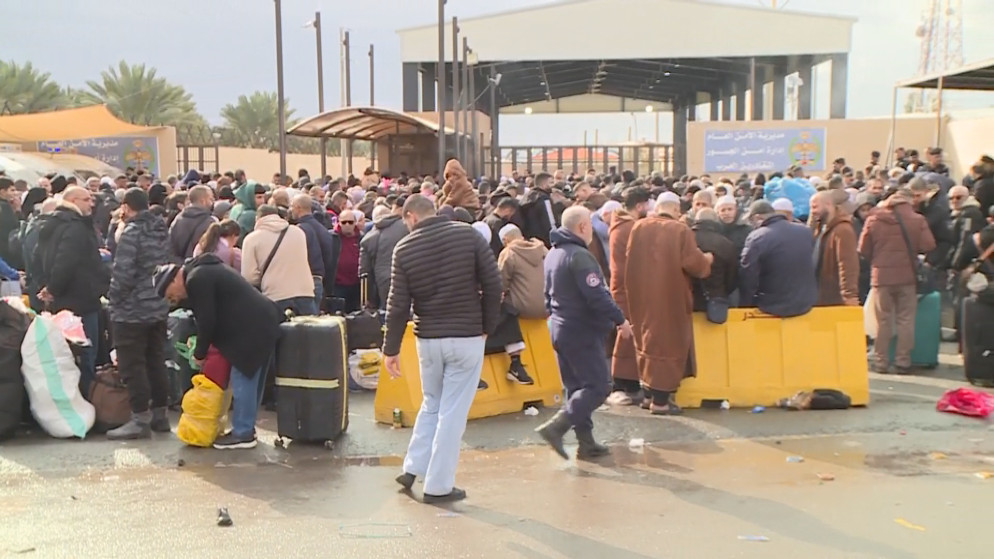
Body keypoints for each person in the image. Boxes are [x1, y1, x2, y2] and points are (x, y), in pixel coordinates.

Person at [385, 195, 502, 504]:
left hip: (428, 338)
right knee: (452, 412)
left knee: (432, 403)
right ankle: (438, 485)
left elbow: (397, 305)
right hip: (466, 335)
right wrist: (488, 326)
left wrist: (390, 349)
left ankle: (412, 467)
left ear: (411, 217)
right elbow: (493, 283)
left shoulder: (404, 249)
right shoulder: (468, 234)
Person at [155, 253, 282, 449]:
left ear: (174, 279)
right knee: (252, 380)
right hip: (263, 321)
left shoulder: (197, 279)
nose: (172, 298)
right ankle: (246, 428)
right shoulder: (203, 271)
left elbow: (207, 320)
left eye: (169, 293)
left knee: (243, 378)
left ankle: (243, 433)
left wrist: (200, 353)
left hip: (250, 328)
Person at [535, 206, 631, 460]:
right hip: (581, 330)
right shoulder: (580, 257)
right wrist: (620, 319)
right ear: (582, 227)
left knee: (576, 387)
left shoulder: (554, 254)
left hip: (560, 327)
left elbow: (546, 295)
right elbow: (597, 295)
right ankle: (557, 427)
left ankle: (585, 443)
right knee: (599, 386)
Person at [625, 193, 712, 415]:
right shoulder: (680, 230)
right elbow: (695, 264)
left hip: (640, 295)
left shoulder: (638, 227)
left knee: (645, 341)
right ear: (675, 210)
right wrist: (708, 260)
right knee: (668, 344)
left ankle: (647, 396)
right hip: (670, 296)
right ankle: (661, 402)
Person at [105, 188, 171, 439]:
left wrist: (114, 300)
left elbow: (123, 274)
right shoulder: (160, 229)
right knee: (156, 359)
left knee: (133, 364)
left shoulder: (131, 233)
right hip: (158, 304)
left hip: (132, 310)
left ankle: (139, 418)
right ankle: (160, 415)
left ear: (126, 206)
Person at [35, 187, 110, 394]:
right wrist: (52, 288)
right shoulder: (76, 227)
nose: (91, 204)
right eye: (86, 199)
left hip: (61, 299)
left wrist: (47, 287)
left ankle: (71, 398)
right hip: (81, 298)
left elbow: (37, 259)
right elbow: (66, 261)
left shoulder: (50, 224)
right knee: (87, 351)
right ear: (73, 201)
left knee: (66, 354)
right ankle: (87, 397)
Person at [858, 188, 936, 374]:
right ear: (908, 203)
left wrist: (877, 260)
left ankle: (881, 361)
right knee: (905, 320)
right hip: (907, 276)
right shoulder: (917, 219)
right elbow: (929, 245)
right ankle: (903, 361)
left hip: (881, 277)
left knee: (883, 320)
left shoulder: (873, 219)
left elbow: (863, 249)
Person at [606, 187, 650, 406]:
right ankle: (620, 384)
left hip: (623, 286)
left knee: (628, 333)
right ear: (640, 205)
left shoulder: (619, 225)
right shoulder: (630, 228)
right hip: (628, 288)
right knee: (627, 334)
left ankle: (628, 383)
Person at [739, 200, 818, 317]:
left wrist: (745, 304)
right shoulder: (804, 231)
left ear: (757, 218)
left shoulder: (757, 237)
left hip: (772, 305)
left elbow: (748, 274)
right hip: (806, 303)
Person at [493, 224, 545, 385]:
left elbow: (499, 284)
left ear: (505, 240)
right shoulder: (542, 249)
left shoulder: (508, 253)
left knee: (500, 306)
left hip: (524, 308)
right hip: (548, 306)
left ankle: (515, 363)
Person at [242, 205, 316, 316]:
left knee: (280, 333)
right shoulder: (298, 232)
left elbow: (249, 277)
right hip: (305, 292)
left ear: (257, 218)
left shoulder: (252, 239)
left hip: (275, 295)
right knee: (309, 332)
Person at [809, 190, 860, 306]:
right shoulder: (820, 228)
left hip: (834, 298)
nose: (812, 211)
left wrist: (849, 295)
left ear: (828, 204)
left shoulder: (843, 230)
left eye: (815, 207)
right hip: (819, 295)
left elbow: (848, 265)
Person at [290, 194, 340, 310]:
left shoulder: (299, 230)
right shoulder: (323, 229)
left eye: (292, 207)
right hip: (320, 279)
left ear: (298, 208)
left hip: (304, 281)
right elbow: (329, 257)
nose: (291, 210)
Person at [360, 197, 408, 309]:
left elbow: (364, 271)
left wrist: (368, 298)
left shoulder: (368, 238)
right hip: (406, 276)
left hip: (383, 281)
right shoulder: (406, 226)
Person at [690, 208, 737, 313]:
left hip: (688, 300)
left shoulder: (685, 239)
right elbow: (732, 278)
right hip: (715, 302)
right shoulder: (726, 244)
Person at [909, 177, 952, 273]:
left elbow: (945, 240)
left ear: (926, 192)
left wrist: (930, 261)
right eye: (912, 196)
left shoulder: (937, 211)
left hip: (928, 260)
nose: (914, 200)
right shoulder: (905, 209)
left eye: (918, 196)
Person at [168, 185, 215, 263]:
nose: (213, 201)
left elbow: (170, 247)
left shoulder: (178, 219)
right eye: (210, 198)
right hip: (198, 268)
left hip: (179, 268)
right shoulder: (209, 222)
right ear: (203, 201)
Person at [333, 209, 363, 313]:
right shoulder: (332, 237)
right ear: (338, 222)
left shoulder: (361, 238)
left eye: (350, 222)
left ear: (355, 223)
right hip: (337, 285)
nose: (347, 225)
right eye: (344, 222)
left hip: (356, 285)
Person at [520, 172, 558, 248]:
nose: (553, 185)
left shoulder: (525, 198)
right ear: (544, 184)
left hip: (530, 241)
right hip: (545, 243)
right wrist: (555, 241)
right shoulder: (544, 199)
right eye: (551, 182)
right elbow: (551, 222)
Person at [230, 181, 266, 245]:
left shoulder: (236, 208)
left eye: (264, 197)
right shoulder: (251, 215)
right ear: (250, 197)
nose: (262, 201)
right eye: (259, 197)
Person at [715, 195, 751, 259]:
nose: (727, 213)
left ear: (736, 210)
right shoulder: (714, 229)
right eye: (723, 210)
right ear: (718, 213)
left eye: (730, 209)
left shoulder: (747, 229)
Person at [0, 179, 19, 266]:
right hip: (5, 248)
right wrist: (18, 210)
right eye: (12, 190)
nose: (15, 193)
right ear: (3, 191)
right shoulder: (4, 207)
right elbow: (14, 226)